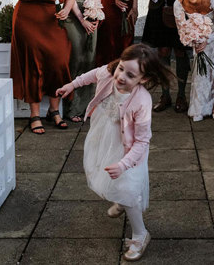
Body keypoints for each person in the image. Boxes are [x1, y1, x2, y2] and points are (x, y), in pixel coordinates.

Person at [56, 44, 173, 262]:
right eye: (121, 68)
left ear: (143, 79)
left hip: (128, 151)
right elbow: (93, 74)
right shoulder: (110, 73)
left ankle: (140, 234)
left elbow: (142, 140)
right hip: (104, 137)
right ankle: (120, 201)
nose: (121, 77)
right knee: (107, 176)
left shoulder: (141, 101)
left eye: (130, 75)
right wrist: (72, 85)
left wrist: (124, 164)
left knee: (128, 188)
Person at [10, 0, 74, 134]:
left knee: (58, 62)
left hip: (54, 21)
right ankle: (34, 114)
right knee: (34, 65)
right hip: (29, 22)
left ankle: (54, 111)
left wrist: (67, 9)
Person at [62, 0, 102, 123]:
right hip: (73, 15)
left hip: (91, 16)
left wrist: (96, 15)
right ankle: (71, 108)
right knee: (76, 58)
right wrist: (82, 20)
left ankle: (87, 106)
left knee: (90, 59)